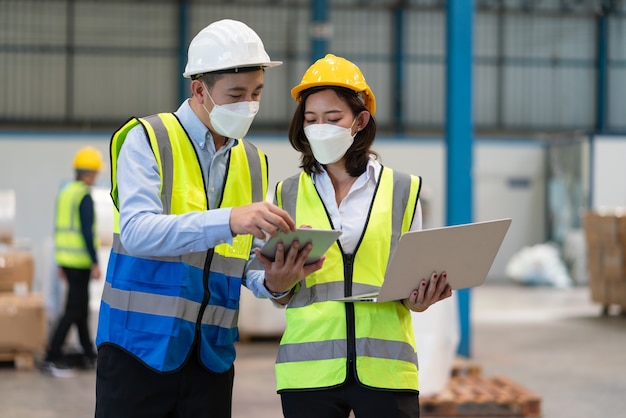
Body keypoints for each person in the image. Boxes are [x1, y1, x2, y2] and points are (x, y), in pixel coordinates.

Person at [94, 19, 321, 418]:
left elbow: (243, 261)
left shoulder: (253, 162)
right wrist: (229, 219)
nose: (248, 104)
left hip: (212, 357)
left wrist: (274, 281)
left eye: (256, 93)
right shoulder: (147, 139)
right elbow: (137, 231)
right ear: (199, 89)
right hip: (138, 349)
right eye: (235, 94)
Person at [252, 54, 454, 418]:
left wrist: (421, 299)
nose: (320, 128)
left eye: (333, 119)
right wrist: (277, 285)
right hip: (308, 371)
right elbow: (276, 286)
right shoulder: (286, 194)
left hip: (387, 371)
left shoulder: (403, 190)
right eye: (311, 120)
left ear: (360, 121)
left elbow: (409, 285)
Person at [42, 146, 103, 378]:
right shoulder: (83, 195)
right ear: (89, 173)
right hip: (79, 261)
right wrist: (95, 261)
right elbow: (86, 232)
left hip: (67, 260)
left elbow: (59, 229)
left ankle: (88, 353)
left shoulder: (66, 192)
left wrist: (59, 261)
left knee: (79, 308)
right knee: (73, 310)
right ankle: (52, 354)